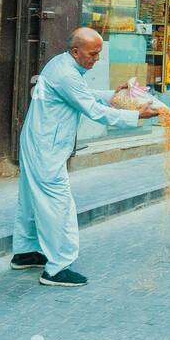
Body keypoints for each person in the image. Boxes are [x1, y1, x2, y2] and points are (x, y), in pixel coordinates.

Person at [11, 27, 161, 287]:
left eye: (99, 53)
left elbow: (84, 96)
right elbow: (92, 110)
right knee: (58, 203)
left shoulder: (62, 66)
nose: (97, 59)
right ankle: (57, 268)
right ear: (76, 51)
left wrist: (113, 96)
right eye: (93, 54)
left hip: (40, 141)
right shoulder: (66, 74)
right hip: (46, 147)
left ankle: (25, 252)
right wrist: (135, 116)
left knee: (30, 198)